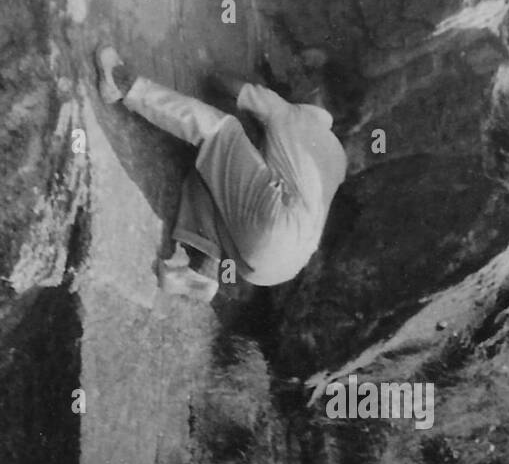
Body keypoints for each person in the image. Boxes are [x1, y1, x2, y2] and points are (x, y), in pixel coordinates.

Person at [95, 46, 348, 302]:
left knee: (220, 131)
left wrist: (236, 76)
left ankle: (122, 84)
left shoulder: (289, 113)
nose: (292, 76)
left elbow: (219, 81)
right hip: (281, 268)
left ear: (316, 86)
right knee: (213, 168)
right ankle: (199, 273)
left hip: (273, 225)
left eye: (301, 72)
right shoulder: (339, 157)